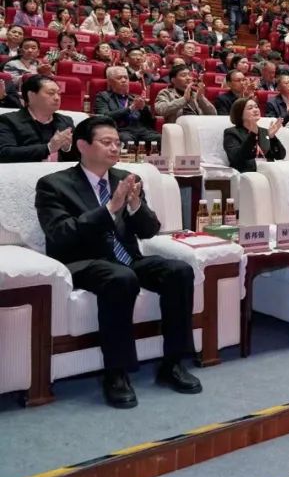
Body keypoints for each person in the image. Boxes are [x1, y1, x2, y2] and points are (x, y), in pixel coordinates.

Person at [35, 116, 201, 408]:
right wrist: (110, 208)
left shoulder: (125, 178)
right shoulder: (53, 185)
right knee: (121, 278)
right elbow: (60, 234)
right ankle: (116, 373)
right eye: (106, 142)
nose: (115, 148)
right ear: (83, 146)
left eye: (117, 143)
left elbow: (149, 231)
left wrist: (135, 204)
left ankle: (173, 363)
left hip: (127, 260)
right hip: (83, 262)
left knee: (179, 271)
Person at [0, 74, 76, 162]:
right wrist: (48, 148)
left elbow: (79, 158)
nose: (57, 98)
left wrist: (67, 149)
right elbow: (4, 153)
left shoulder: (65, 121)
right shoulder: (8, 120)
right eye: (51, 93)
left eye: (59, 93)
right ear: (31, 95)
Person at [94, 66, 160, 145]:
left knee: (161, 138)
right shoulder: (103, 96)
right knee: (127, 140)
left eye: (126, 78)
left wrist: (144, 108)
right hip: (120, 130)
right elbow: (104, 116)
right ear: (110, 82)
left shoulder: (135, 97)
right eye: (119, 78)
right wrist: (130, 108)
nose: (124, 80)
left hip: (140, 129)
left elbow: (149, 121)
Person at [223, 97, 286, 172]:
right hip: (248, 173)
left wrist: (272, 138)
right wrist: (253, 135)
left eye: (256, 107)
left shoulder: (264, 132)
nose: (255, 110)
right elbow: (236, 158)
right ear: (240, 113)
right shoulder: (232, 133)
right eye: (250, 108)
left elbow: (280, 156)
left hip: (268, 170)